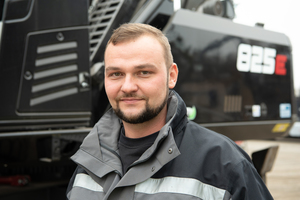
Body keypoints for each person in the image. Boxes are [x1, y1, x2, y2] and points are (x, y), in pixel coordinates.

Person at [66, 23, 273, 200]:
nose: (127, 86)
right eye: (116, 74)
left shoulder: (224, 163)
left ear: (171, 76)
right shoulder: (87, 160)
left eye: (143, 72)